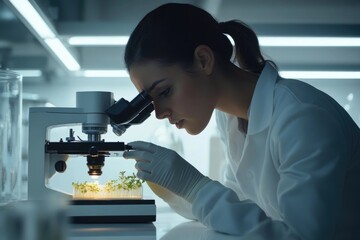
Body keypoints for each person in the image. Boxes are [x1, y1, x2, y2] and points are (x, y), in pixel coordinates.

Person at [122, 3, 360, 239]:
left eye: (164, 92)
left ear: (203, 60)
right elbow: (241, 207)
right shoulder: (229, 117)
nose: (159, 113)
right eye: (150, 101)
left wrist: (194, 187)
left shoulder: (302, 117)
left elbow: (302, 237)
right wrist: (176, 190)